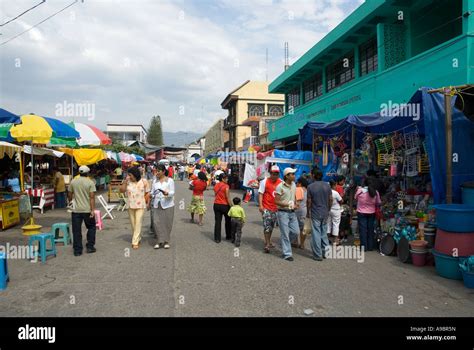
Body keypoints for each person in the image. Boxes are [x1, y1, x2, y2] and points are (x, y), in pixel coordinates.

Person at [68, 166, 97, 256]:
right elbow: (91, 197)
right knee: (91, 227)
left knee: (76, 230)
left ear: (79, 172)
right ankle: (90, 247)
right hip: (87, 210)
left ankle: (77, 250)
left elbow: (69, 194)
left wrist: (71, 202)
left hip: (76, 210)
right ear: (87, 173)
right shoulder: (90, 182)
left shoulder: (73, 181)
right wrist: (92, 210)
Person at [120, 166, 150, 249]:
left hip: (141, 206)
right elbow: (121, 190)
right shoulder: (127, 181)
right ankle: (138, 237)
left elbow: (147, 192)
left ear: (135, 174)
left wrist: (147, 202)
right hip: (130, 205)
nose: (129, 176)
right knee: (133, 224)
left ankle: (135, 242)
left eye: (130, 175)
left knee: (138, 223)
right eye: (128, 175)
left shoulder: (144, 181)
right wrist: (125, 182)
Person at [307, 168, 332, 261]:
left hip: (315, 212)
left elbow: (309, 201)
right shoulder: (327, 186)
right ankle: (326, 253)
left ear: (313, 175)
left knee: (316, 233)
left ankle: (318, 255)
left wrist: (307, 212)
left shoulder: (310, 187)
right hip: (325, 212)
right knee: (323, 233)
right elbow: (330, 199)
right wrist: (328, 209)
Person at [275, 167, 299, 261]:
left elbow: (294, 195)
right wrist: (287, 204)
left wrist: (296, 203)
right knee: (285, 233)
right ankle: (287, 254)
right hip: (283, 213)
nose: (294, 176)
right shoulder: (280, 186)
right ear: (287, 176)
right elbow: (276, 201)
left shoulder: (293, 185)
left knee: (296, 231)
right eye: (292, 174)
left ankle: (285, 243)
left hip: (292, 213)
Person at [258, 165, 282, 254]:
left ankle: (268, 241)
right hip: (266, 207)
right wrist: (261, 206)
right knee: (266, 226)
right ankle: (267, 244)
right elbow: (260, 193)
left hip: (276, 209)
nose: (274, 175)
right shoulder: (264, 182)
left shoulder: (281, 183)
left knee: (271, 226)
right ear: (270, 173)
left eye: (276, 174)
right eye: (273, 173)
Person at [151, 164, 175, 249]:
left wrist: (167, 193)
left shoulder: (170, 181)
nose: (156, 173)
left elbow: (173, 192)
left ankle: (166, 241)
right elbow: (152, 192)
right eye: (155, 171)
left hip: (168, 204)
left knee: (167, 223)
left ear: (163, 171)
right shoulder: (154, 181)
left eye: (158, 171)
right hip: (157, 204)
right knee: (156, 223)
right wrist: (152, 195)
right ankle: (159, 240)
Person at [355, 177, 381, 252]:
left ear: (364, 183)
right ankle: (370, 246)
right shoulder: (375, 192)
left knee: (363, 230)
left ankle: (364, 247)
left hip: (361, 212)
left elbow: (355, 198)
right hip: (371, 213)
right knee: (370, 229)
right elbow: (378, 202)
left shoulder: (360, 191)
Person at [213, 173, 232, 243]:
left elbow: (215, 193)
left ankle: (217, 238)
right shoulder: (226, 186)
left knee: (218, 222)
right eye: (226, 178)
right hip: (225, 205)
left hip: (216, 204)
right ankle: (228, 235)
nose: (227, 179)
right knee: (228, 221)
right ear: (222, 179)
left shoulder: (216, 185)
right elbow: (228, 197)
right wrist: (232, 206)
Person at [327, 180, 343, 245]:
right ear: (334, 185)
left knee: (328, 224)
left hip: (328, 210)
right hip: (336, 210)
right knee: (336, 224)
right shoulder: (335, 193)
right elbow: (341, 200)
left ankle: (326, 239)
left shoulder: (327, 192)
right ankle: (335, 241)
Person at [295, 177, 308, 249]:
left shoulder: (298, 190)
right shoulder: (308, 191)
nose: (296, 184)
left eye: (297, 183)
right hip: (305, 211)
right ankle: (302, 244)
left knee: (294, 227)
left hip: (297, 210)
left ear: (300, 183)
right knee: (303, 228)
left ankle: (295, 241)